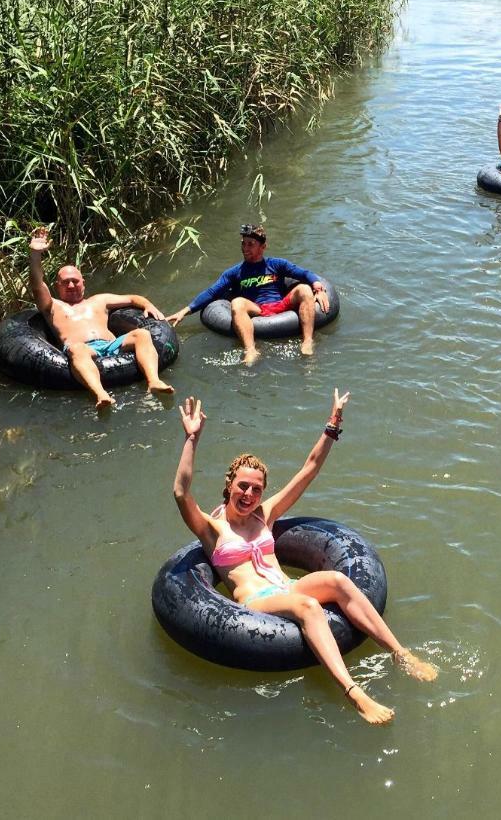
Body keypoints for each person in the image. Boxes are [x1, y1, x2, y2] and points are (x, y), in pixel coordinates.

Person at [173, 391, 438, 725]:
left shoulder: (263, 516)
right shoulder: (211, 529)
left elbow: (308, 470)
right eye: (243, 486)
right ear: (229, 485)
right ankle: (353, 693)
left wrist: (333, 423)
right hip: (255, 602)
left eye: (257, 489)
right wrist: (191, 439)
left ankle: (401, 654)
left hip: (289, 587)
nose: (249, 495)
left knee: (339, 581)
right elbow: (182, 493)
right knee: (309, 607)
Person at [27, 227, 174, 409]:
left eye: (75, 280)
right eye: (65, 282)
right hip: (83, 349)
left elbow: (132, 298)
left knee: (142, 334)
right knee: (77, 349)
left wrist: (147, 304)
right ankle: (101, 394)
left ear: (83, 283)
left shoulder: (99, 300)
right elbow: (36, 284)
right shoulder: (52, 306)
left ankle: (154, 381)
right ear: (57, 286)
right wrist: (35, 254)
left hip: (111, 344)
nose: (71, 285)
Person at [167, 224, 329, 365]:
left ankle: (307, 341)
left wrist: (318, 289)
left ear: (263, 247)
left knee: (304, 289)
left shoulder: (277, 264)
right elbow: (212, 292)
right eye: (243, 244)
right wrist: (185, 311)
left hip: (281, 305)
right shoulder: (235, 272)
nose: (245, 248)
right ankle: (251, 350)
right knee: (237, 302)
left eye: (250, 244)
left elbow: (305, 273)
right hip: (257, 309)